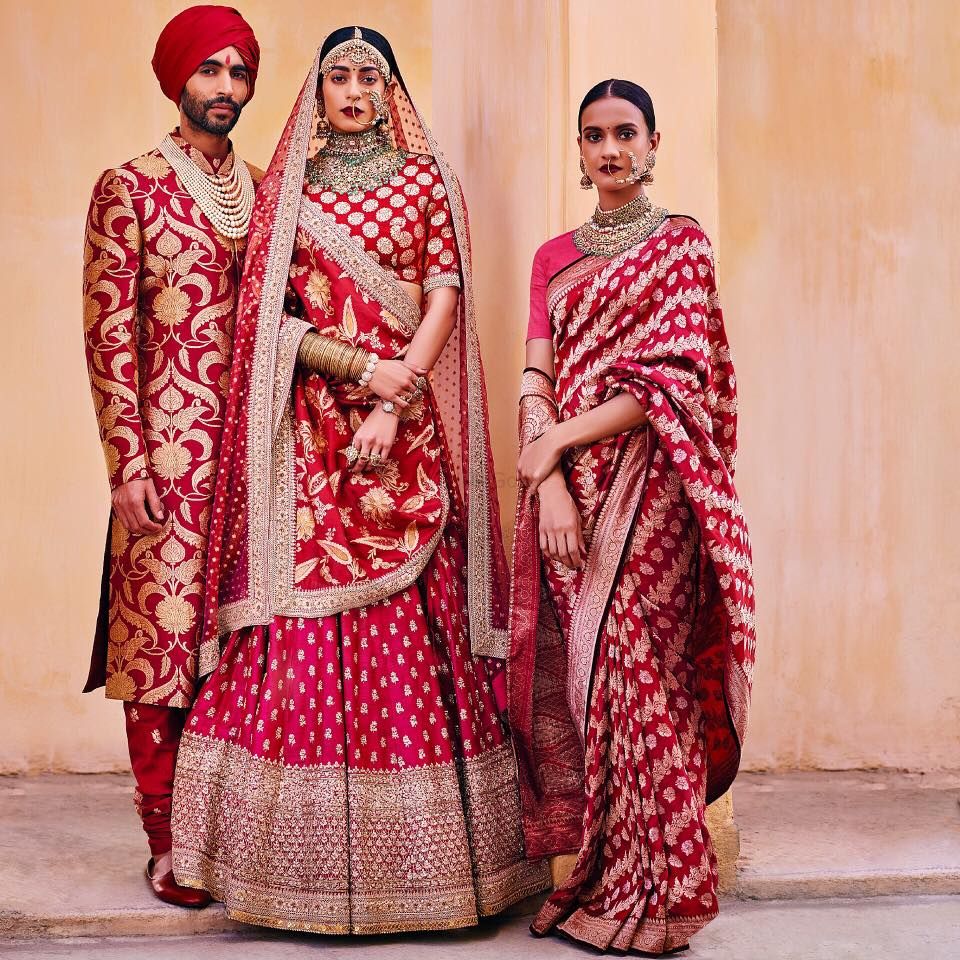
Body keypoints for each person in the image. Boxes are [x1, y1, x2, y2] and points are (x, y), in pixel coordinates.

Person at [170, 26, 549, 934]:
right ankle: (286, 871)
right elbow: (269, 320)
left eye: (367, 78)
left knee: (417, 626)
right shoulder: (283, 191)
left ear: (389, 93)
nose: (351, 90)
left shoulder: (428, 182)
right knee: (301, 624)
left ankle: (430, 878)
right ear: (318, 89)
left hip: (403, 432)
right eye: (336, 75)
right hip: (307, 439)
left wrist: (397, 393)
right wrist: (353, 371)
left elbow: (446, 295)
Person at [508, 79, 756, 954]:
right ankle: (610, 879)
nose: (609, 150)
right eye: (593, 137)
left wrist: (557, 443)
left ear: (654, 143)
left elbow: (674, 384)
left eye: (625, 134)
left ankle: (669, 895)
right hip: (573, 491)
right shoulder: (551, 257)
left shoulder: (680, 246)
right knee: (595, 688)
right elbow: (536, 375)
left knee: (644, 675)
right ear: (578, 151)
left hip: (655, 486)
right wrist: (548, 482)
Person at [81, 4, 262, 907]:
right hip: (168, 459)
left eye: (237, 71)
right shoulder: (131, 187)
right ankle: (165, 841)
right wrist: (128, 465)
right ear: (177, 79)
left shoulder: (268, 192)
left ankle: (230, 834)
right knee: (159, 649)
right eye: (209, 71)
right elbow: (109, 335)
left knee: (243, 646)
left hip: (258, 460)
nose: (224, 87)